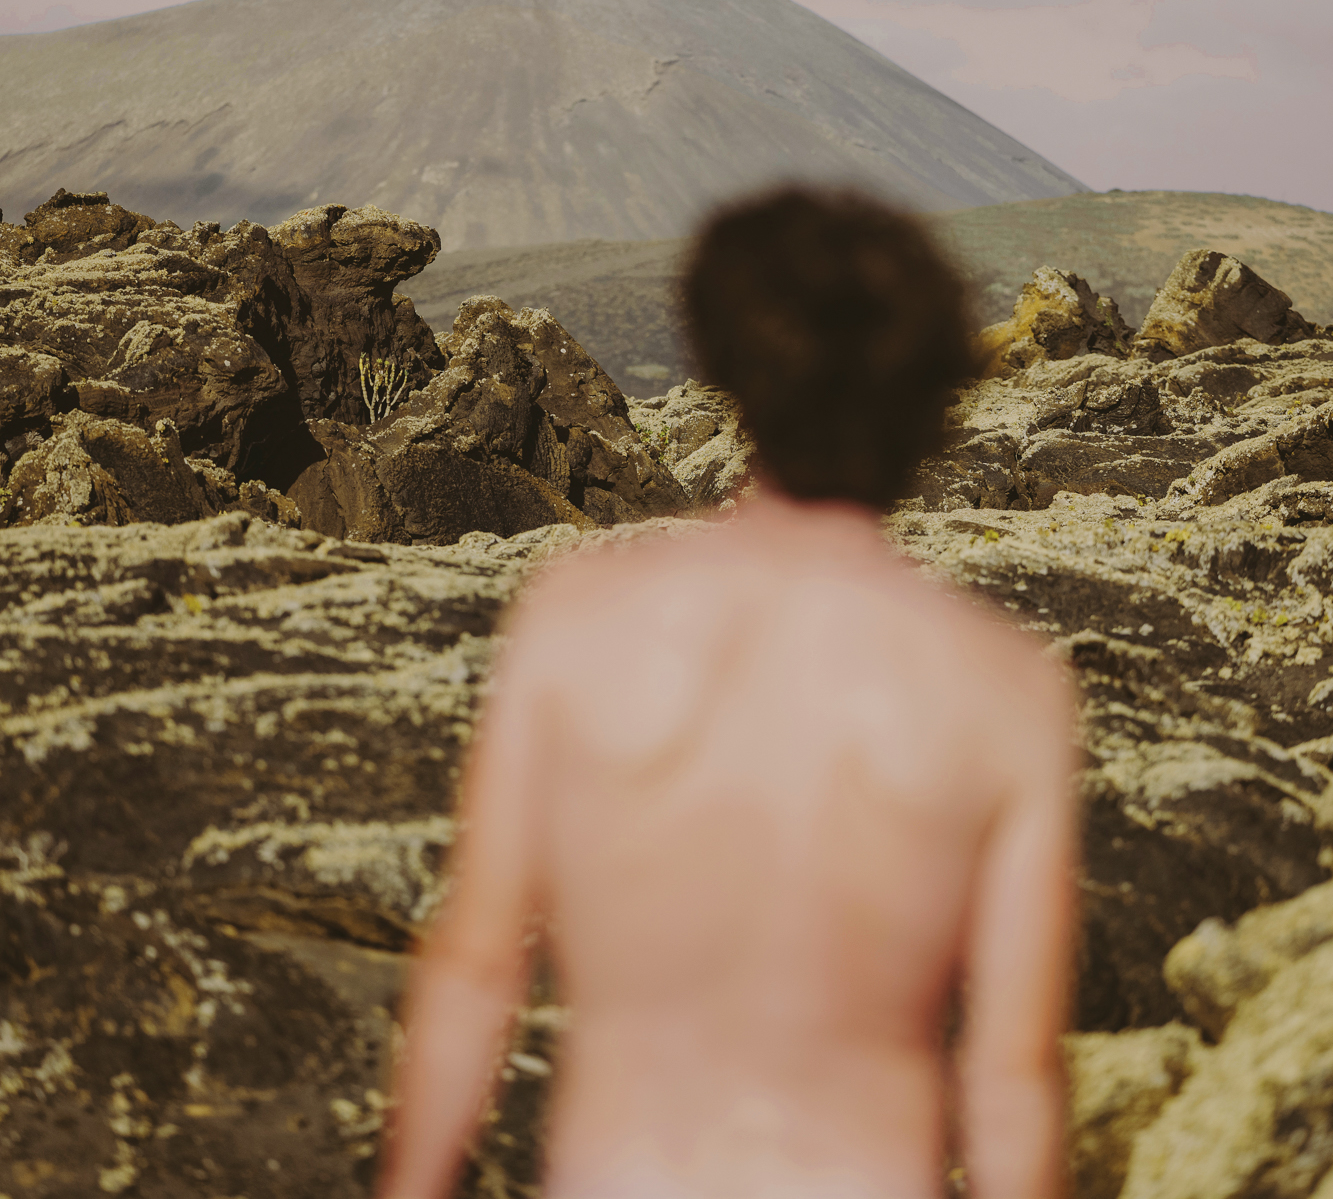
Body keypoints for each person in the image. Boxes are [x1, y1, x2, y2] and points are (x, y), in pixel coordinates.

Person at [375, 186, 1082, 1199]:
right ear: (932, 403)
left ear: (729, 368)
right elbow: (1011, 1077)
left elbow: (478, 967)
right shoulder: (1000, 690)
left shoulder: (582, 624)